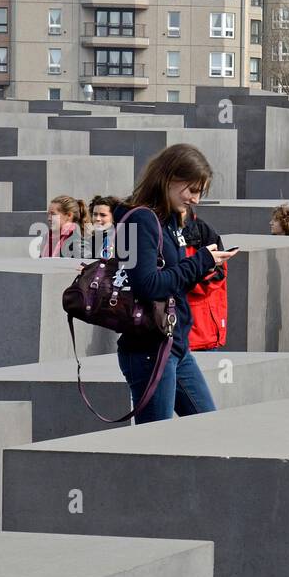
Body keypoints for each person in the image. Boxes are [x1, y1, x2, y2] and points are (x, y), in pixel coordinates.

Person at [114, 143, 225, 423]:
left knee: (209, 428)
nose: (196, 199)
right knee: (155, 444)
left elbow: (171, 282)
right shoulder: (141, 220)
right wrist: (200, 261)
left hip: (173, 345)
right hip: (150, 350)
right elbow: (147, 285)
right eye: (193, 190)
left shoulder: (168, 219)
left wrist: (207, 266)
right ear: (170, 179)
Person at [182, 205, 240, 351]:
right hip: (172, 333)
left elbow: (217, 276)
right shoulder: (155, 230)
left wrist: (183, 277)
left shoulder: (203, 231)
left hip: (201, 332)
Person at [88, 195, 121, 260]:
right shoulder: (92, 239)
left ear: (114, 217)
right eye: (95, 214)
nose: (97, 218)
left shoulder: (118, 240)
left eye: (103, 215)